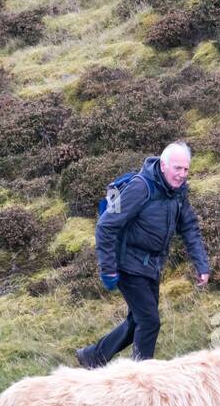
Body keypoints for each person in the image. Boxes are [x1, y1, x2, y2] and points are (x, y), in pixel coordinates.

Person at [75, 141, 211, 367]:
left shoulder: (178, 193)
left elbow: (189, 227)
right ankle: (141, 377)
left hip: (151, 266)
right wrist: (108, 269)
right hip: (128, 265)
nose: (182, 175)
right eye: (178, 168)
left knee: (137, 320)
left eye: (186, 169)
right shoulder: (140, 187)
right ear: (164, 165)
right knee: (149, 322)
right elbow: (106, 226)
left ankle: (92, 357)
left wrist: (202, 265)